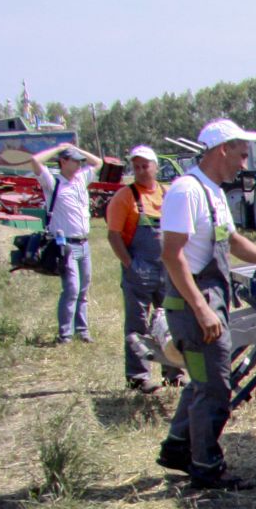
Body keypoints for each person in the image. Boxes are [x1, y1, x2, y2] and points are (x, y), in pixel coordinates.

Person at [155, 118, 256, 492]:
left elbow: (230, 240)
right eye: (242, 154)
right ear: (222, 150)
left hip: (210, 297)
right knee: (215, 388)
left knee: (202, 383)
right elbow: (172, 255)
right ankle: (207, 469)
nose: (244, 164)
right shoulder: (186, 192)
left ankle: (177, 449)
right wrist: (201, 309)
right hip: (193, 302)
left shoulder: (213, 192)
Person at [104, 145, 182, 392]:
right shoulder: (125, 197)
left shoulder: (167, 194)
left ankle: (174, 373)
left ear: (156, 167)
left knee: (171, 320)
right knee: (138, 324)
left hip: (167, 270)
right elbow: (113, 235)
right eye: (136, 167)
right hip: (140, 270)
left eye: (145, 166)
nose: (140, 171)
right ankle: (138, 377)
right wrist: (130, 265)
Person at [28, 142, 98, 343]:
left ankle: (82, 331)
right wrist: (59, 149)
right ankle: (65, 334)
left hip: (84, 243)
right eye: (74, 161)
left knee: (83, 289)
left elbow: (98, 162)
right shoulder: (53, 182)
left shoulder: (80, 179)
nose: (78, 165)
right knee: (72, 289)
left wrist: (77, 149)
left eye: (79, 162)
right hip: (65, 244)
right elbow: (34, 161)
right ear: (63, 162)